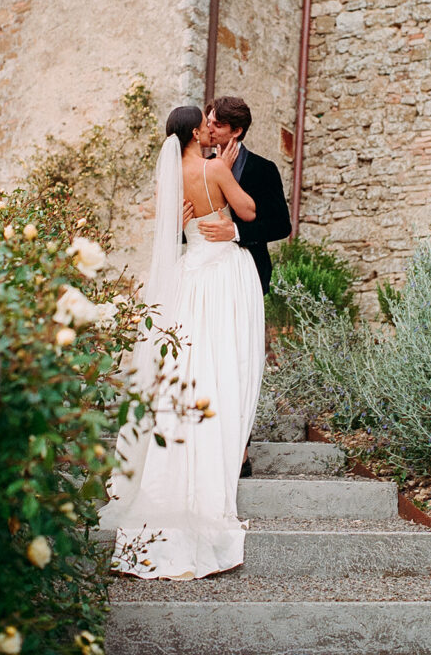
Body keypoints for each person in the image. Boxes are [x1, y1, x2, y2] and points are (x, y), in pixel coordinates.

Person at [98, 106, 265, 580]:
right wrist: (228, 183)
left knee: (190, 362)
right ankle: (217, 445)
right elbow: (250, 212)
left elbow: (172, 233)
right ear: (196, 131)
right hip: (223, 274)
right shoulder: (215, 167)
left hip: (191, 274)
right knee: (222, 359)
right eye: (204, 124)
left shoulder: (171, 178)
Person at [197, 96, 291, 476]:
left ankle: (241, 450)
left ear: (236, 130)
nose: (208, 129)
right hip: (205, 277)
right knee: (206, 360)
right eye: (207, 121)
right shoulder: (198, 168)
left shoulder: (264, 170)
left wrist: (236, 231)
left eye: (217, 124)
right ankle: (202, 442)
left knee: (239, 359)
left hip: (247, 276)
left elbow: (281, 225)